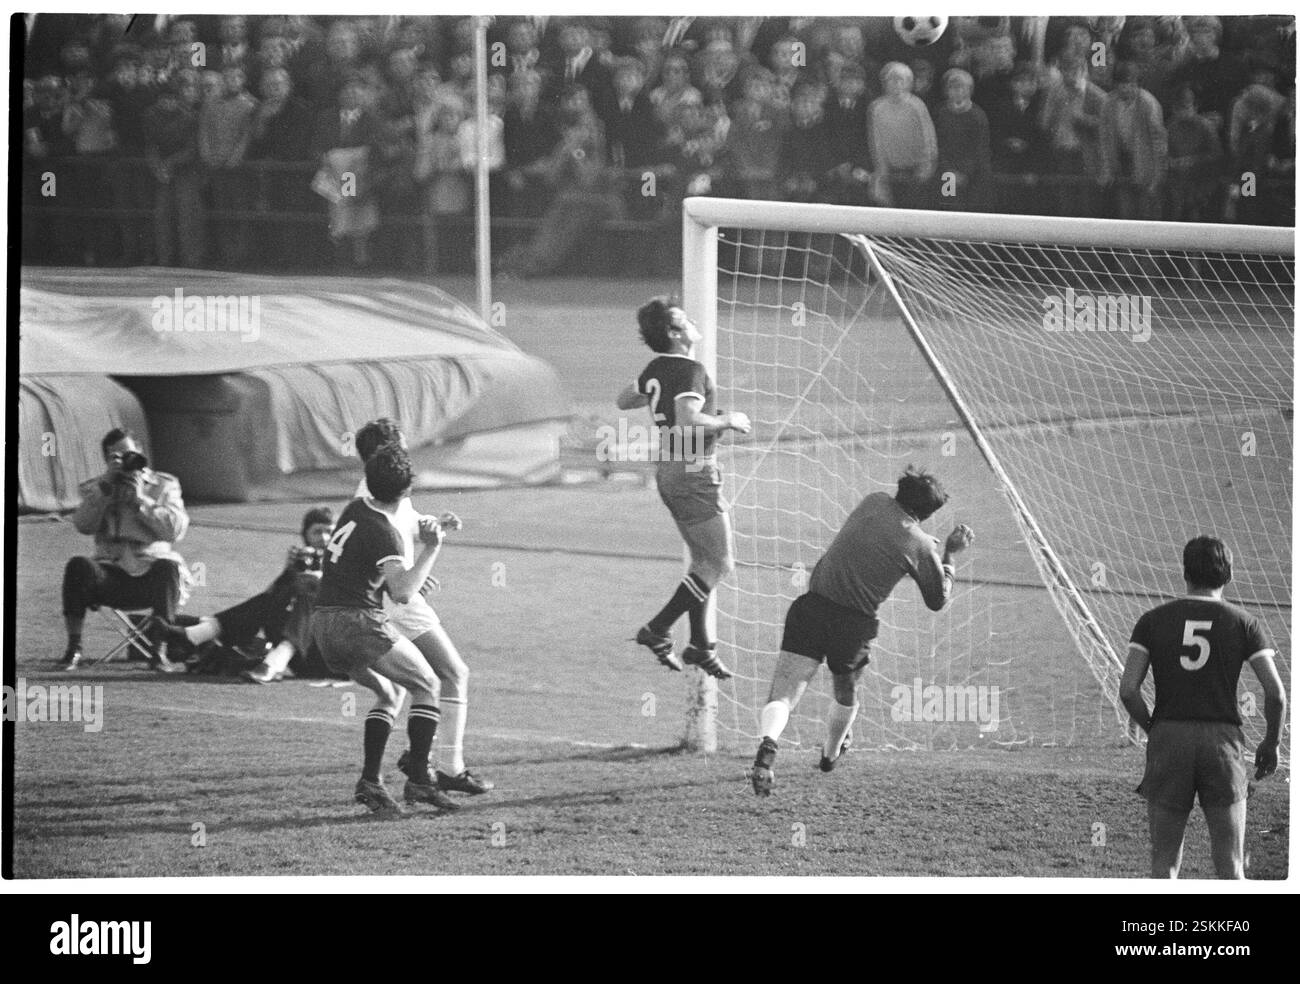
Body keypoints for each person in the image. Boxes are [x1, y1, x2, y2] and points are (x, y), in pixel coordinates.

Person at [749, 466, 974, 795]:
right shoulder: (921, 545)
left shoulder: (874, 501)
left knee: (783, 694)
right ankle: (829, 754)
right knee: (846, 692)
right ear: (927, 513)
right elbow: (938, 599)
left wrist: (921, 545)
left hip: (811, 607)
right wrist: (949, 554)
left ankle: (768, 748)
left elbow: (881, 538)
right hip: (853, 626)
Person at [1119, 536, 1286, 879]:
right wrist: (1272, 742)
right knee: (1231, 864)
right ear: (1228, 575)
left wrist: (1155, 728)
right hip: (1221, 743)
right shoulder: (1245, 623)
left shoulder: (1152, 620)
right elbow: (1276, 694)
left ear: (1185, 572)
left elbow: (1128, 690)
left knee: (1163, 863)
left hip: (1169, 740)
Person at [310, 443, 458, 815]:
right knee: (428, 685)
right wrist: (432, 548)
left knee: (390, 694)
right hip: (355, 622)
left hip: (323, 624)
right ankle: (421, 782)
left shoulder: (356, 509)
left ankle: (371, 784)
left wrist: (403, 578)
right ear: (407, 491)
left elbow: (366, 569)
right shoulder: (386, 533)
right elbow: (403, 593)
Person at [353, 419, 493, 796]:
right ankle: (446, 767)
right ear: (386, 451)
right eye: (399, 444)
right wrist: (406, 580)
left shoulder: (376, 488)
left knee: (411, 687)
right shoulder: (374, 495)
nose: (405, 449)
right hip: (397, 604)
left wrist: (433, 524)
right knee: (452, 673)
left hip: (391, 598)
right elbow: (375, 550)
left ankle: (418, 760)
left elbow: (404, 525)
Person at [616, 298, 751, 679]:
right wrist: (727, 421)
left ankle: (700, 645)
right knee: (720, 564)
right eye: (684, 320)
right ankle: (658, 629)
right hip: (693, 472)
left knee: (701, 564)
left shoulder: (658, 368)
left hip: (671, 471)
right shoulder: (691, 370)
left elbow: (625, 399)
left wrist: (652, 387)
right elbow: (687, 421)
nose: (693, 322)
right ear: (675, 333)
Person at [61, 428, 190, 672]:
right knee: (78, 566)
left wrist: (142, 500)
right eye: (118, 457)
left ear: (140, 451)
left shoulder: (164, 484)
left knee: (169, 566)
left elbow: (175, 530)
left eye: (130, 454)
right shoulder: (97, 488)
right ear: (108, 461)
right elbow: (83, 525)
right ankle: (74, 648)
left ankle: (158, 650)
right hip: (111, 574)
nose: (127, 461)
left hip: (151, 572)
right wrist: (105, 491)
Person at [161, 507, 335, 683]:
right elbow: (270, 599)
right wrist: (289, 574)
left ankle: (200, 633)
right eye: (317, 532)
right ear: (305, 535)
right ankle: (273, 663)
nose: (324, 538)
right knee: (279, 595)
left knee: (310, 593)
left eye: (329, 532)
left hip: (332, 657)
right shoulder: (303, 560)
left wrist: (320, 582)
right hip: (299, 652)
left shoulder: (351, 563)